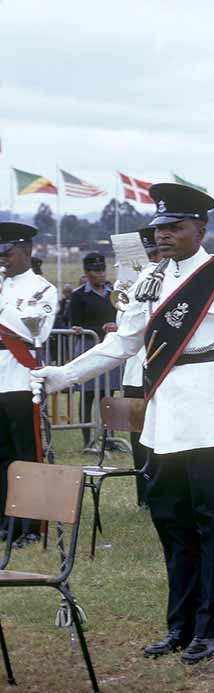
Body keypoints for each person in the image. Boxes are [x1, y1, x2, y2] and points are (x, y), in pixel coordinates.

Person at [31, 183, 214, 664]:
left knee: (210, 530)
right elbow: (121, 345)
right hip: (162, 422)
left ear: (201, 228)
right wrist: (63, 375)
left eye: (175, 227)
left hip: (210, 419)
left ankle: (208, 629)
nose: (163, 236)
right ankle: (178, 626)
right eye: (159, 228)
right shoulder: (149, 281)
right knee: (172, 529)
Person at [0, 223, 58, 547]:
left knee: (27, 453)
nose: (3, 259)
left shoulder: (41, 289)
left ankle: (32, 527)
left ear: (27, 251)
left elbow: (36, 332)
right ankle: (5, 521)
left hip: (21, 376)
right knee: (2, 454)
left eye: (7, 252)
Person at [119, 227, 161, 509]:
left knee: (157, 433)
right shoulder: (132, 282)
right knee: (137, 435)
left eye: (151, 254)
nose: (148, 259)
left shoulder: (159, 281)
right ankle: (143, 494)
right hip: (134, 370)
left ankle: (159, 489)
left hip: (155, 366)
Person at [68, 251, 119, 447]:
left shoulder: (113, 293)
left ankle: (109, 437)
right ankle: (87, 439)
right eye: (96, 271)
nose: (101, 274)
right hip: (89, 347)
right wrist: (100, 329)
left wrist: (114, 326)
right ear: (87, 273)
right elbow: (75, 324)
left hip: (108, 348)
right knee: (88, 395)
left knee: (108, 394)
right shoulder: (79, 296)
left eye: (103, 270)